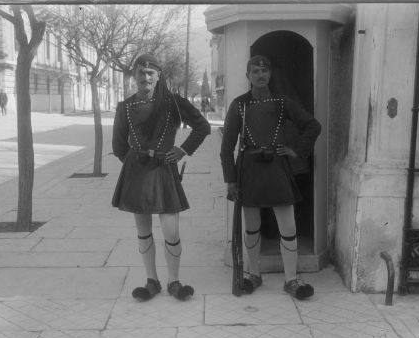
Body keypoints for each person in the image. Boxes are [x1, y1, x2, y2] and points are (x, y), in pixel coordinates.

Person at [220, 55, 321, 299]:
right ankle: (253, 274)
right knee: (252, 228)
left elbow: (312, 125)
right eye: (255, 71)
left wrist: (296, 150)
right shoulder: (239, 105)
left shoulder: (282, 102)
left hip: (277, 169)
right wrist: (231, 181)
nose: (260, 75)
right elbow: (226, 147)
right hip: (249, 171)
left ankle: (291, 279)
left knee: (288, 226)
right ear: (248, 76)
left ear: (271, 75)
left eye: (265, 71)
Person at [112, 54, 211, 302]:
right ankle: (151, 281)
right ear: (134, 76)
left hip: (164, 171)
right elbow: (118, 146)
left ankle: (174, 282)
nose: (145, 77)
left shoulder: (173, 103)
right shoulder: (125, 107)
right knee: (143, 231)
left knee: (171, 231)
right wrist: (136, 163)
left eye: (150, 73)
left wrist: (182, 150)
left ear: (158, 76)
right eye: (141, 73)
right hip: (138, 175)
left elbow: (202, 126)